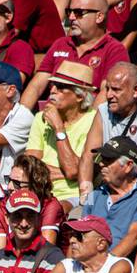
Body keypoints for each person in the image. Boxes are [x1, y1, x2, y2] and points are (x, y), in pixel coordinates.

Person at [25, 0, 129, 110]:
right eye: (69, 12)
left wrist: (88, 125)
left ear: (99, 17)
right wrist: (18, 121)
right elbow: (36, 86)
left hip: (86, 118)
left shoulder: (115, 50)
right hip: (50, 116)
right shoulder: (60, 44)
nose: (72, 17)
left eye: (78, 13)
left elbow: (106, 93)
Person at [24, 61, 98, 210]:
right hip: (41, 193)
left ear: (79, 96)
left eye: (61, 87)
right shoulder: (40, 118)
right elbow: (30, 168)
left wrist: (59, 128)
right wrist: (67, 172)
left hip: (78, 195)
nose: (52, 90)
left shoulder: (95, 120)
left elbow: (73, 171)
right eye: (52, 85)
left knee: (54, 210)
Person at [86, 62, 137, 177]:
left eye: (116, 90)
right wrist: (86, 191)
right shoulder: (104, 111)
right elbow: (87, 156)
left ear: (136, 91)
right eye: (107, 89)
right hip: (112, 181)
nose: (109, 95)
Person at [78, 135, 137, 260]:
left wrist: (105, 265)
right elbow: (80, 234)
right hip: (88, 263)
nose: (101, 164)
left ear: (128, 165)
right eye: (101, 159)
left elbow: (134, 236)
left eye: (108, 160)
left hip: (118, 267)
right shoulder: (93, 195)